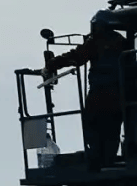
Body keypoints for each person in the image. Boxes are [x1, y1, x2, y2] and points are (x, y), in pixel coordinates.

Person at [46, 12, 129, 171]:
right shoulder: (122, 42)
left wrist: (51, 64)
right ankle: (108, 159)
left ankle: (99, 160)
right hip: (120, 95)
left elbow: (76, 56)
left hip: (100, 93)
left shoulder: (97, 41)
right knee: (112, 129)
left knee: (92, 125)